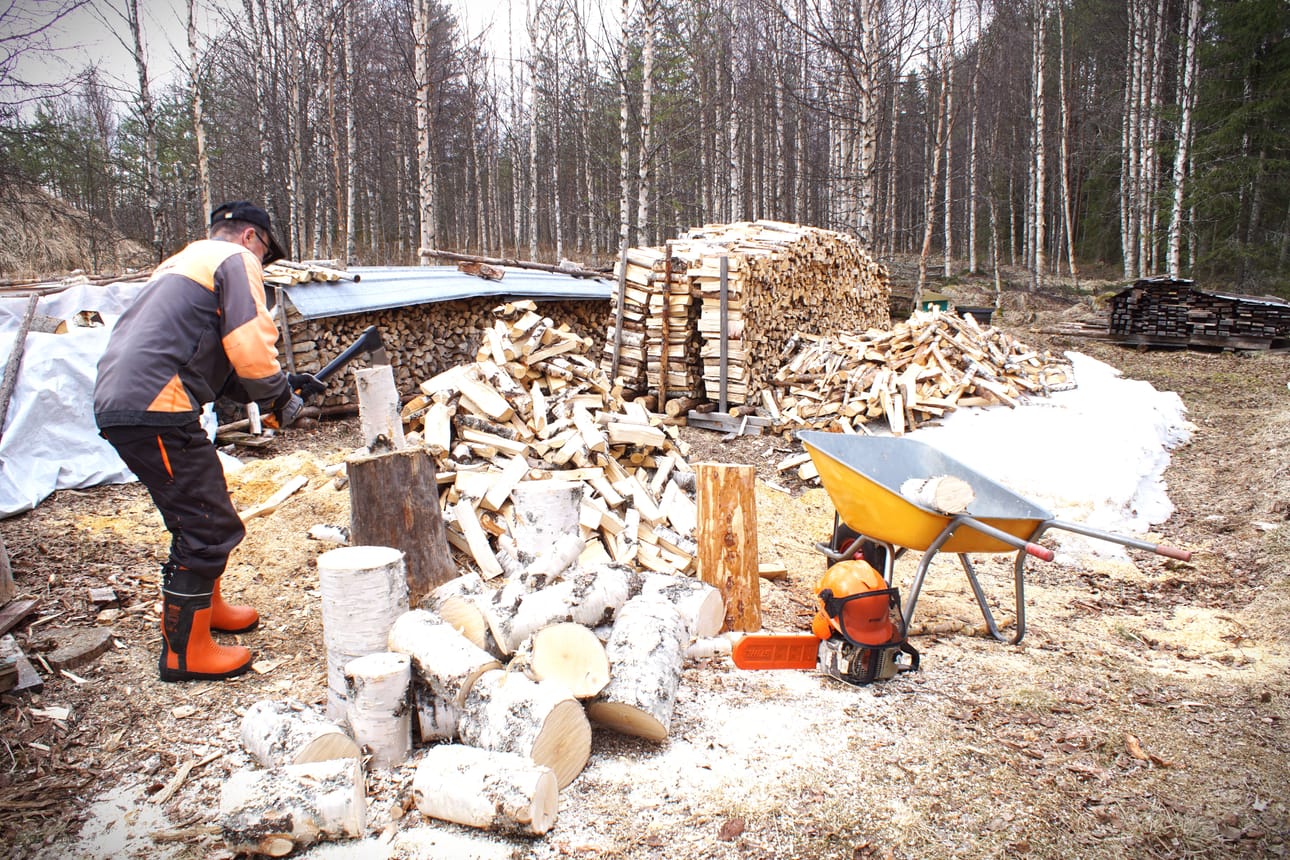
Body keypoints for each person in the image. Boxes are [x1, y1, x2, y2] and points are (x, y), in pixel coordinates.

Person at [94, 201, 324, 682]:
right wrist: (280, 396)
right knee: (204, 524)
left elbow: (212, 359)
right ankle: (185, 653)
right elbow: (248, 339)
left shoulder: (183, 262)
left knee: (206, 503)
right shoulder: (235, 260)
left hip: (142, 398)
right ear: (250, 238)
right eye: (265, 252)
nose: (263, 263)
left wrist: (285, 383)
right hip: (154, 406)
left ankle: (209, 608)